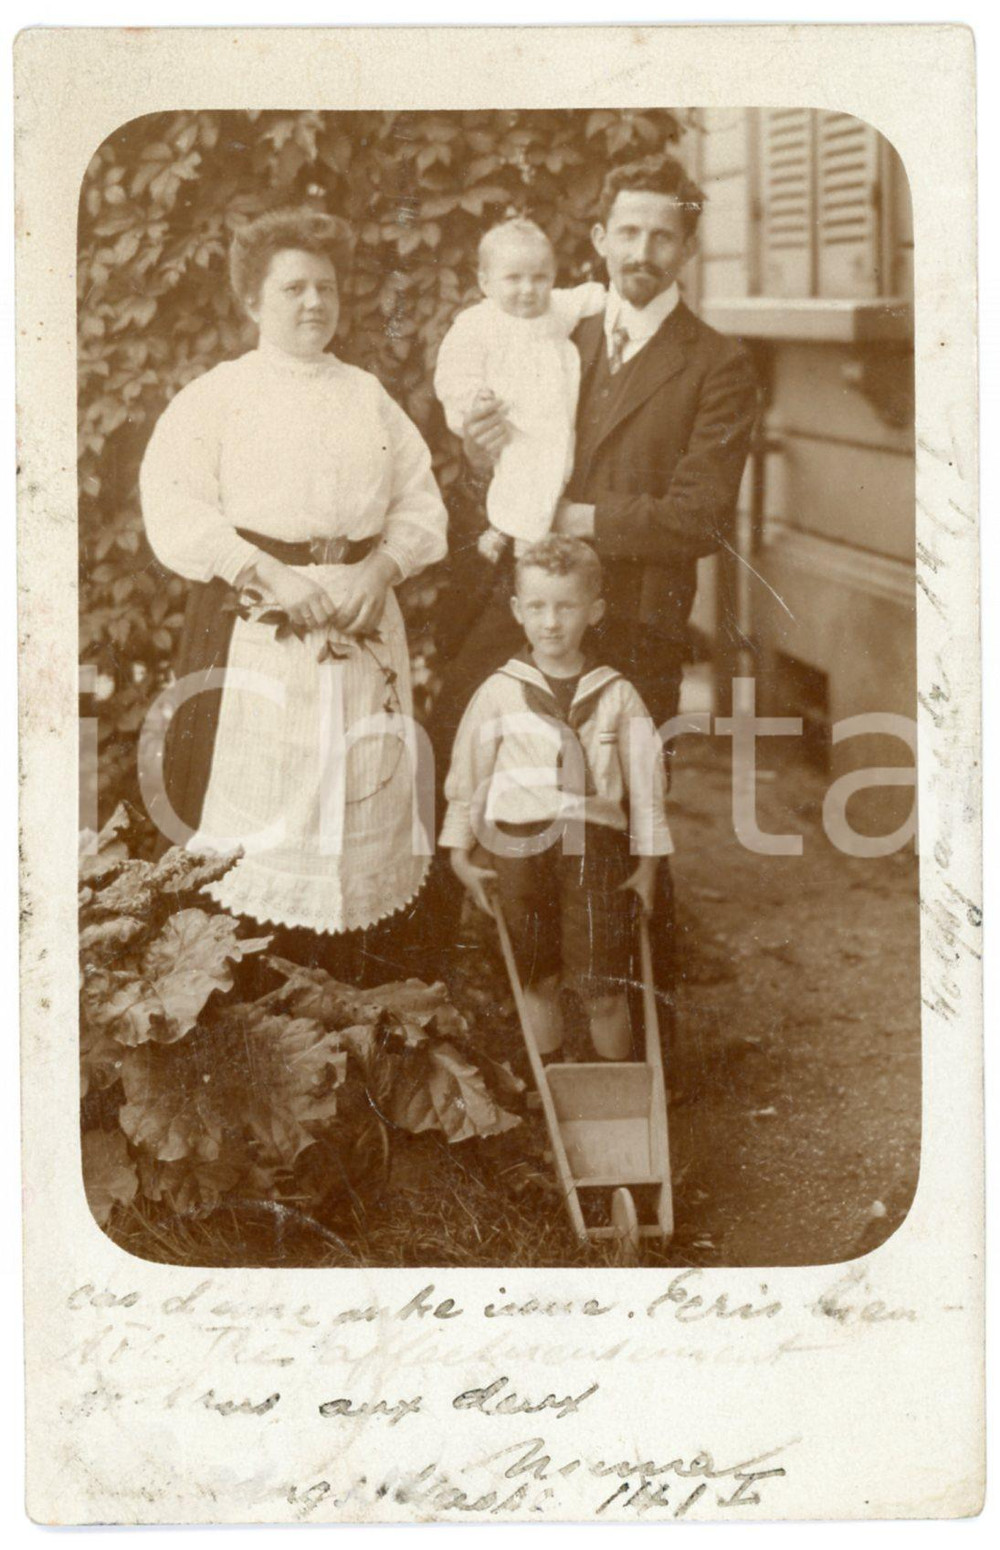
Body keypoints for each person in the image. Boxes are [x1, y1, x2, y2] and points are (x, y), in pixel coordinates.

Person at [427, 154, 758, 993]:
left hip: (635, 614)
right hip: (530, 606)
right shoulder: (549, 329)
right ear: (601, 238)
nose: (643, 249)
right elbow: (493, 467)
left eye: (664, 234)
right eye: (629, 231)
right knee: (469, 751)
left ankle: (642, 1033)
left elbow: (703, 516)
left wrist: (577, 520)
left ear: (686, 246)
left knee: (618, 806)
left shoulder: (717, 364)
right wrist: (480, 452)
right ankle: (496, 1001)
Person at [140, 208, 447, 971]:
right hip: (253, 620)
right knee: (255, 815)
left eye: (327, 288)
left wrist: (381, 570)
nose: (314, 303)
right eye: (293, 288)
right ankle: (248, 1008)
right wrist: (267, 573)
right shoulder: (219, 394)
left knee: (357, 787)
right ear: (253, 301)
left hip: (362, 620)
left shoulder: (368, 394)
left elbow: (422, 503)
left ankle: (358, 1009)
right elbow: (174, 502)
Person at [441, 537, 672, 1061]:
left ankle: (618, 1101)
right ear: (519, 611)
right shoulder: (498, 692)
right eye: (538, 607)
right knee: (535, 978)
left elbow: (647, 790)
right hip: (519, 848)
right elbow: (468, 779)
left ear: (594, 612)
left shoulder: (617, 695)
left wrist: (649, 866)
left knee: (603, 986)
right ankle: (551, 1101)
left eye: (566, 607)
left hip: (594, 847)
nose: (551, 623)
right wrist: (460, 855)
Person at [433, 217, 605, 559]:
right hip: (509, 418)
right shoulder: (478, 323)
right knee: (520, 471)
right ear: (485, 282)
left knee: (554, 470)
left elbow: (589, 298)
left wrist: (603, 296)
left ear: (552, 278)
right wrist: (474, 399)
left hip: (552, 419)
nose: (528, 289)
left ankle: (506, 529)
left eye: (540, 278)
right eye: (513, 278)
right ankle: (524, 542)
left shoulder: (555, 308)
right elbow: (453, 371)